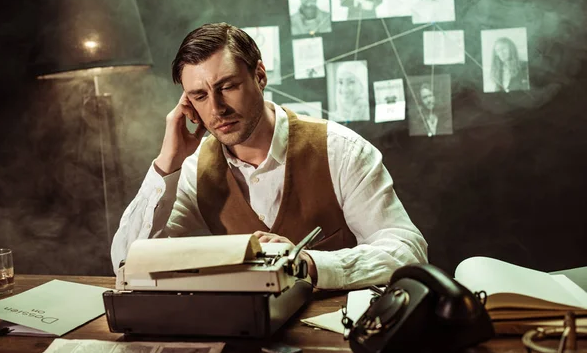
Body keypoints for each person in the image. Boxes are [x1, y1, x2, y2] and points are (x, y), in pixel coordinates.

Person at [110, 23, 428, 290]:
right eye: (200, 95)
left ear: (259, 76)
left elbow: (407, 251)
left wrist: (309, 264)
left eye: (228, 86)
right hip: (243, 337)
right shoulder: (194, 171)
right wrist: (168, 162)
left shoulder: (340, 149)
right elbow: (126, 263)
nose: (216, 109)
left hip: (335, 338)